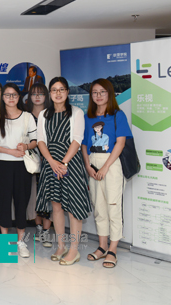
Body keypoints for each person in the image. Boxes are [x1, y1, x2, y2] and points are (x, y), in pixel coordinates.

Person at [36, 77, 91, 266]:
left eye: (61, 89)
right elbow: (41, 141)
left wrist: (63, 163)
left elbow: (77, 139)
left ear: (67, 92)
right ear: (50, 93)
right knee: (56, 206)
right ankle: (61, 246)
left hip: (71, 164)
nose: (58, 93)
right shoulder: (43, 114)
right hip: (51, 164)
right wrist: (52, 162)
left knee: (74, 207)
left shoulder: (76, 113)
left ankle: (74, 250)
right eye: (54, 90)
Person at [81, 78, 131, 268]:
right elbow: (84, 144)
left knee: (113, 207)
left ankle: (113, 249)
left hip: (112, 164)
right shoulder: (87, 117)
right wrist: (88, 166)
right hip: (93, 162)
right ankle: (102, 247)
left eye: (102, 92)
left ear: (109, 94)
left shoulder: (118, 115)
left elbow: (120, 143)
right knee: (99, 207)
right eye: (95, 92)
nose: (99, 95)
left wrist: (105, 167)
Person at [0, 83, 37, 259]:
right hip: (2, 165)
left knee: (22, 202)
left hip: (22, 166)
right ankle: (5, 243)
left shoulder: (27, 116)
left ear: (19, 96)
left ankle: (21, 242)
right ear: (2, 97)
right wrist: (10, 151)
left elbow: (35, 141)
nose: (11, 98)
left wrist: (26, 146)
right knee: (3, 203)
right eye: (7, 95)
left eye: (14, 94)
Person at [26, 83, 53, 248]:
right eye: (34, 94)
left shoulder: (51, 114)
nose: (37, 97)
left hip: (50, 160)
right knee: (34, 196)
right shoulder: (25, 115)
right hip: (31, 161)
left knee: (49, 195)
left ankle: (46, 231)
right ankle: (38, 228)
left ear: (46, 96)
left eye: (41, 94)